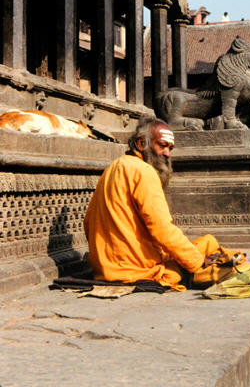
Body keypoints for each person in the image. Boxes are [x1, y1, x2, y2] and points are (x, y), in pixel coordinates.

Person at [84, 117, 218, 291]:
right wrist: (198, 262)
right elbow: (162, 228)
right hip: (134, 268)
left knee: (205, 243)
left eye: (170, 148)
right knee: (204, 252)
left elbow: (87, 222)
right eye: (162, 145)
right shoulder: (144, 171)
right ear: (141, 144)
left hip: (103, 266)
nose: (167, 154)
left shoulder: (112, 167)